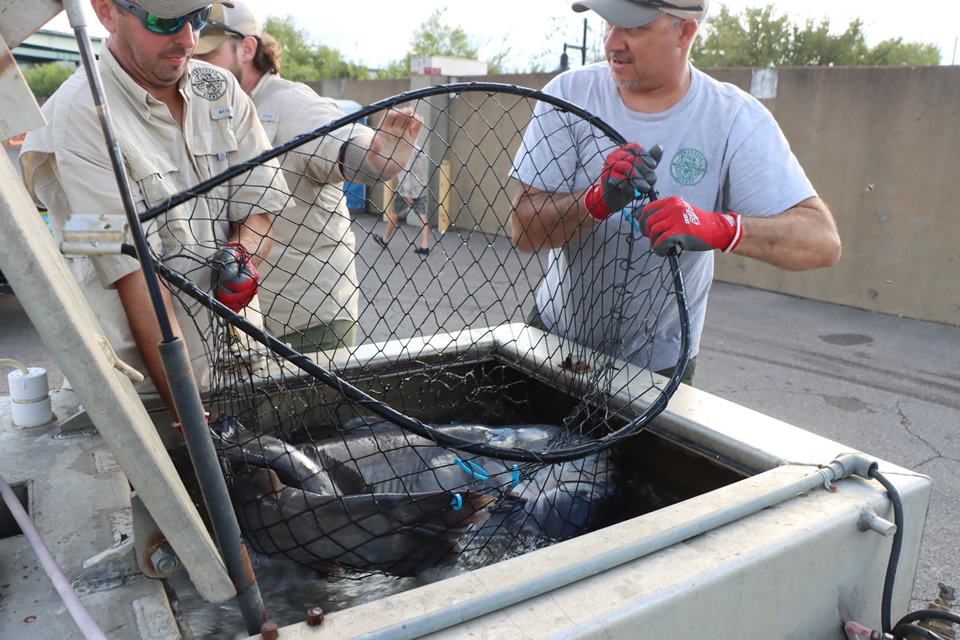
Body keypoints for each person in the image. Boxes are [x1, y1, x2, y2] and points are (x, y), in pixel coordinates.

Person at [510, 0, 841, 385]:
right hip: (555, 341)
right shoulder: (569, 95)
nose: (612, 43)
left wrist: (719, 228)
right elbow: (524, 232)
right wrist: (594, 201)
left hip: (659, 365)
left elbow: (822, 242)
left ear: (685, 32)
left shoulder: (732, 117)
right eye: (607, 24)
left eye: (633, 28)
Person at [19, 0, 289, 435]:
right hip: (144, 398)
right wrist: (190, 421)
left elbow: (257, 209)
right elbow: (135, 278)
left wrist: (242, 254)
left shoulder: (220, 89)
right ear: (107, 11)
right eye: (164, 21)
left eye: (197, 17)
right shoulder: (79, 116)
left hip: (241, 368)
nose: (188, 39)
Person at [194, 2, 423, 353]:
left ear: (247, 48)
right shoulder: (215, 111)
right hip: (250, 321)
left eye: (209, 53)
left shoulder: (289, 103)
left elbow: (344, 144)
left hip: (309, 321)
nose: (198, 65)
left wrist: (380, 156)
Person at [378, 145, 431, 255]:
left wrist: (407, 194)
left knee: (395, 213)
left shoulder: (404, 150)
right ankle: (425, 245)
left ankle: (385, 240)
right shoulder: (418, 149)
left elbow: (405, 172)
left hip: (406, 190)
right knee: (422, 215)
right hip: (420, 188)